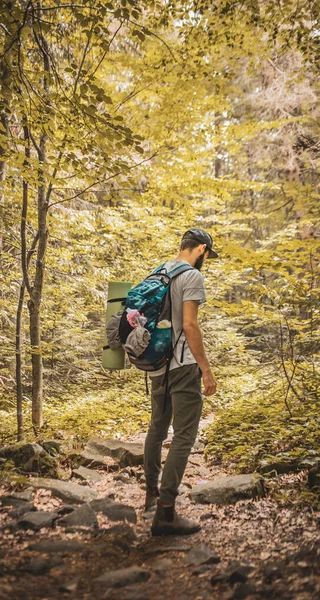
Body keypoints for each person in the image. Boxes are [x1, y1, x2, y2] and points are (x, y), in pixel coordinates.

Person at [144, 228, 218, 536]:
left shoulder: (156, 273)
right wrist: (206, 369)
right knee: (185, 435)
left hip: (157, 364)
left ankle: (150, 496)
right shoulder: (192, 277)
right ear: (201, 249)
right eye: (207, 255)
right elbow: (189, 324)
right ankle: (166, 513)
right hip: (184, 366)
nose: (206, 261)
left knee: (157, 427)